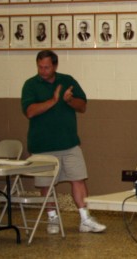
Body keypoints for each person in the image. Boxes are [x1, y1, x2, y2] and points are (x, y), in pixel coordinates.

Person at [21, 50, 106, 234]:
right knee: (45, 183)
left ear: (55, 66)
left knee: (78, 178)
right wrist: (53, 100)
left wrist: (69, 100)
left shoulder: (67, 80)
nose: (43, 71)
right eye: (40, 67)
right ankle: (52, 217)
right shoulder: (30, 85)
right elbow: (30, 111)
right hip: (42, 146)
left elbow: (82, 106)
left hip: (68, 143)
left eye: (47, 67)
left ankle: (85, 218)